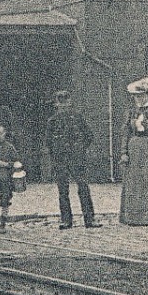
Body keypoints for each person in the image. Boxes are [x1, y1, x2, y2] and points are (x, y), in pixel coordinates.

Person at [46, 89, 99, 229]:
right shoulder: (52, 121)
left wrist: (80, 150)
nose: (63, 106)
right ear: (56, 105)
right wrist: (56, 156)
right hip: (60, 160)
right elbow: (48, 142)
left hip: (77, 158)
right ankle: (66, 220)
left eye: (65, 102)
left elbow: (88, 136)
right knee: (63, 190)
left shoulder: (78, 118)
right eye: (60, 103)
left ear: (70, 102)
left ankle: (89, 218)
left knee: (83, 187)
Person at [118, 77, 148, 225]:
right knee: (133, 181)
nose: (138, 99)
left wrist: (142, 124)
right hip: (134, 148)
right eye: (136, 96)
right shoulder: (130, 112)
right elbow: (125, 132)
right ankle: (132, 216)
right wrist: (124, 152)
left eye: (141, 96)